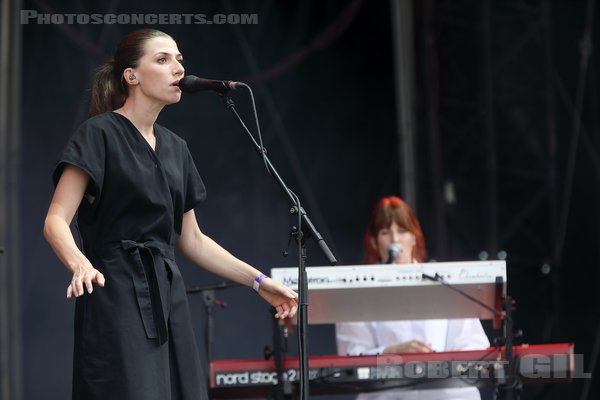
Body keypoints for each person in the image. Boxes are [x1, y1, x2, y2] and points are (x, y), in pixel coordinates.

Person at [43, 28, 298, 400]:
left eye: (179, 59)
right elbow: (55, 220)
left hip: (166, 294)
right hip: (114, 290)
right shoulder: (98, 134)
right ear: (131, 76)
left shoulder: (176, 149)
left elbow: (192, 240)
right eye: (162, 59)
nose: (177, 67)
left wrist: (259, 282)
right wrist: (79, 263)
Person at [336, 196, 490, 400]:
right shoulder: (358, 292)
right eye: (385, 232)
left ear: (414, 237)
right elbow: (350, 359)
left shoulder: (446, 283)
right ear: (374, 241)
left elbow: (476, 348)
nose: (395, 240)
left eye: (402, 231)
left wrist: (438, 362)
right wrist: (393, 352)